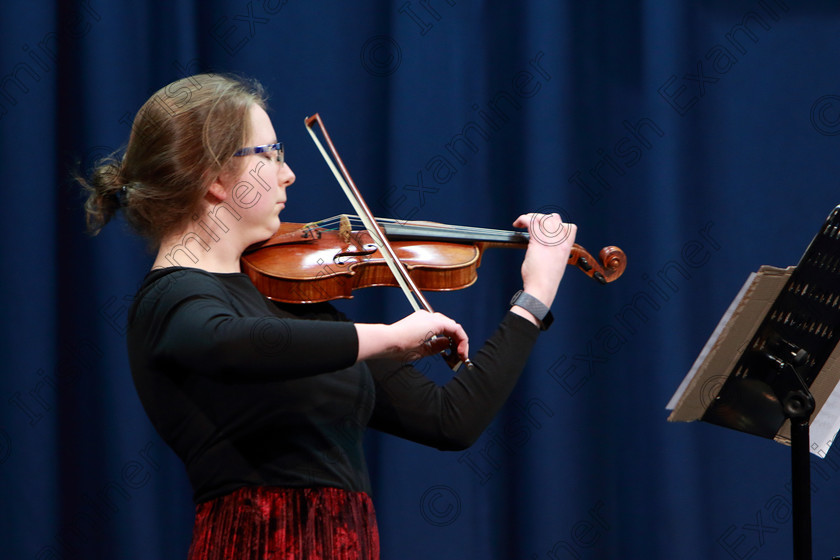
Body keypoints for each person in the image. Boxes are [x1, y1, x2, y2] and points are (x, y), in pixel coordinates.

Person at [81, 73, 576, 560]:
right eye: (270, 154)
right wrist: (385, 336)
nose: (288, 173)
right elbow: (225, 341)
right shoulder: (172, 299)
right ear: (212, 178)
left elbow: (452, 421)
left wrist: (534, 295)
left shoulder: (290, 299)